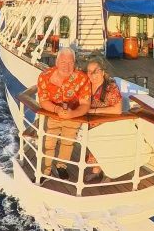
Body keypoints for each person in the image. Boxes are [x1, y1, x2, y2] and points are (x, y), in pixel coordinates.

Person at [37, 48, 91, 181]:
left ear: (74, 63)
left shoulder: (82, 79)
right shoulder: (45, 76)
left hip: (73, 114)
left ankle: (61, 167)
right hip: (52, 114)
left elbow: (85, 104)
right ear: (57, 62)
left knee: (68, 142)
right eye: (63, 62)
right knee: (48, 142)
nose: (66, 66)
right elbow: (43, 100)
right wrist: (56, 110)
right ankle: (46, 171)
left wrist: (73, 114)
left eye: (70, 62)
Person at [84, 58, 123, 183]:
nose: (92, 74)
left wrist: (95, 111)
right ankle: (97, 171)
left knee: (102, 141)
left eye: (95, 71)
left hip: (107, 123)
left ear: (102, 72)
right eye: (89, 71)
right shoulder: (86, 86)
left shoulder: (110, 87)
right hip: (90, 124)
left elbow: (117, 110)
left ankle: (105, 172)